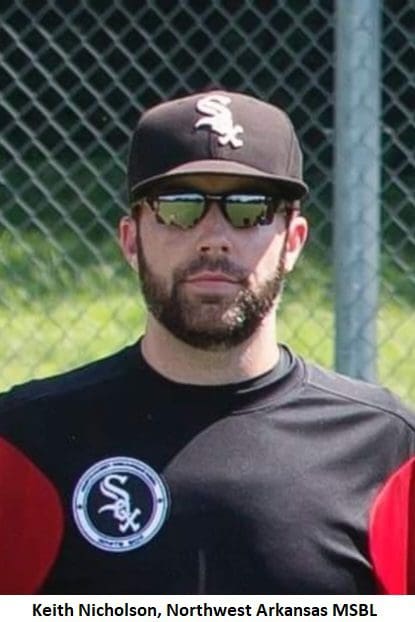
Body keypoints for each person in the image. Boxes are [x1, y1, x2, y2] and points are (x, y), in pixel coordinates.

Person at [0, 90, 414, 595]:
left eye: (249, 209)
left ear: (293, 241)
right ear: (131, 241)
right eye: (180, 207)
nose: (214, 236)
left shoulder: (389, 450)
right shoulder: (24, 442)